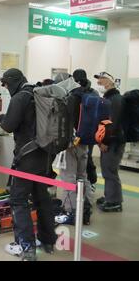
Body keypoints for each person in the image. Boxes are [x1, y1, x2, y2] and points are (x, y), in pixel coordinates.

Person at [0, 68, 57, 261]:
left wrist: (1, 119)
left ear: (11, 82)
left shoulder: (19, 98)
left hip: (27, 157)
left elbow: (8, 126)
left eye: (5, 84)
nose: (5, 88)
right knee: (42, 196)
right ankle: (47, 241)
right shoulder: (38, 93)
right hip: (45, 155)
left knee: (18, 199)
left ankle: (26, 247)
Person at [54, 69, 96, 225]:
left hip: (72, 143)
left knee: (68, 177)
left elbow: (66, 122)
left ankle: (70, 212)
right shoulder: (92, 93)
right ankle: (86, 210)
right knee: (82, 176)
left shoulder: (72, 97)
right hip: (86, 142)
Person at [94, 71, 125, 212]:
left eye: (102, 79)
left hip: (113, 141)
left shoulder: (115, 99)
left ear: (110, 81)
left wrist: (105, 141)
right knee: (107, 169)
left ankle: (114, 202)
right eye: (98, 80)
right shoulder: (109, 98)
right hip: (110, 140)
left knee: (110, 171)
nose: (99, 82)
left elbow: (113, 123)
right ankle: (110, 196)